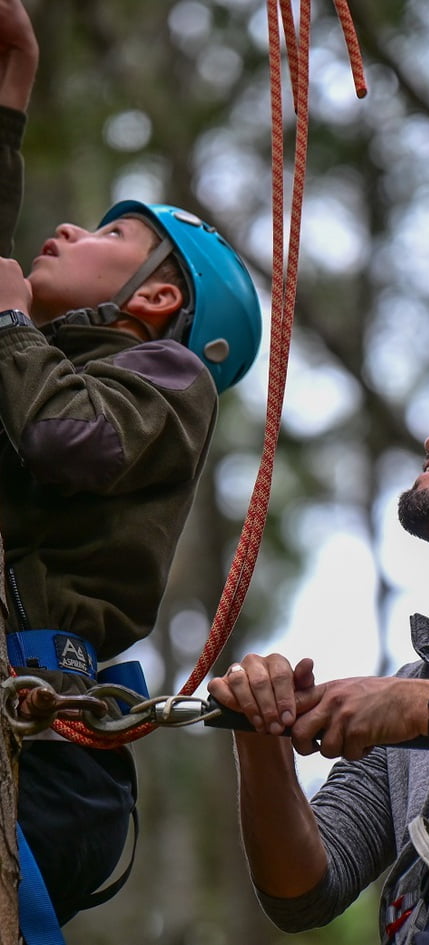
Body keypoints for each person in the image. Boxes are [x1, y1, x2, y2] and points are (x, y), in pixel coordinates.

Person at [0, 0, 262, 931]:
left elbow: (68, 437)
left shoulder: (169, 379)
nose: (70, 229)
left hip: (50, 751)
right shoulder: (37, 362)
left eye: (108, 237)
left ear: (154, 298)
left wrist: (10, 324)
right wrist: (10, 99)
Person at [209, 351, 429, 942]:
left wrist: (424, 709)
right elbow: (305, 889)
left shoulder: (412, 697)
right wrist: (260, 735)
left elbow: (421, 708)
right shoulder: (417, 678)